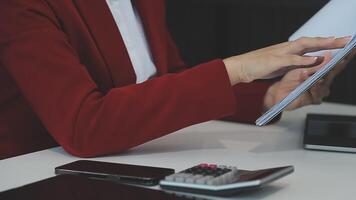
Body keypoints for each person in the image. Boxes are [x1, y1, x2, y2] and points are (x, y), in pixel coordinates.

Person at [0, 0, 353, 159]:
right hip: (38, 176)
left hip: (136, 163)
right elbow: (83, 125)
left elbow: (168, 80)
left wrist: (269, 96)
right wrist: (239, 68)